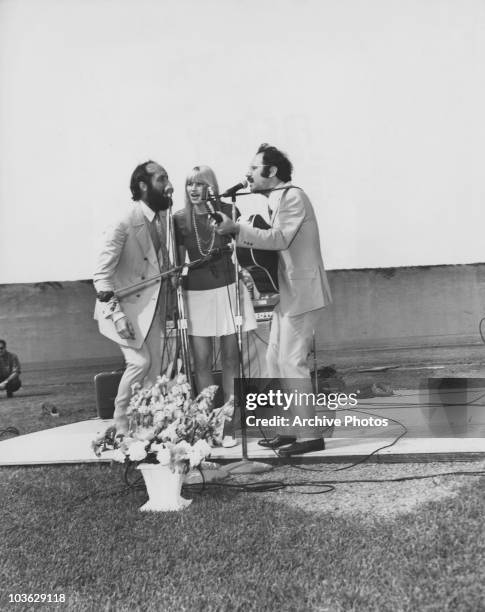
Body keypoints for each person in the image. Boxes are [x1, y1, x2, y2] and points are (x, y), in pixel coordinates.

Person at [216, 144, 332, 456]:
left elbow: (280, 239)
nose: (249, 174)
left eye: (254, 169)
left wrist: (237, 228)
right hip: (289, 293)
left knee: (291, 362)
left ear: (272, 172)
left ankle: (311, 437)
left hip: (303, 293)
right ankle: (288, 432)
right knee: (274, 359)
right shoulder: (278, 199)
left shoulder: (293, 196)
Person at [173, 165, 257, 447]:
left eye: (200, 184)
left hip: (228, 289)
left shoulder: (227, 211)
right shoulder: (179, 219)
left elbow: (239, 251)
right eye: (189, 184)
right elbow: (176, 263)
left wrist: (246, 274)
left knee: (232, 359)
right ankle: (206, 423)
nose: (194, 189)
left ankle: (230, 423)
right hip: (196, 294)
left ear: (211, 186)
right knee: (202, 361)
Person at [93, 160, 174, 433]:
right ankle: (121, 423)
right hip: (122, 310)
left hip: (149, 310)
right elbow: (101, 276)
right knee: (140, 362)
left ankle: (149, 428)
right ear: (143, 185)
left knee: (154, 370)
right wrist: (117, 316)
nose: (169, 185)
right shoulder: (123, 223)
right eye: (162, 179)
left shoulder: (162, 219)